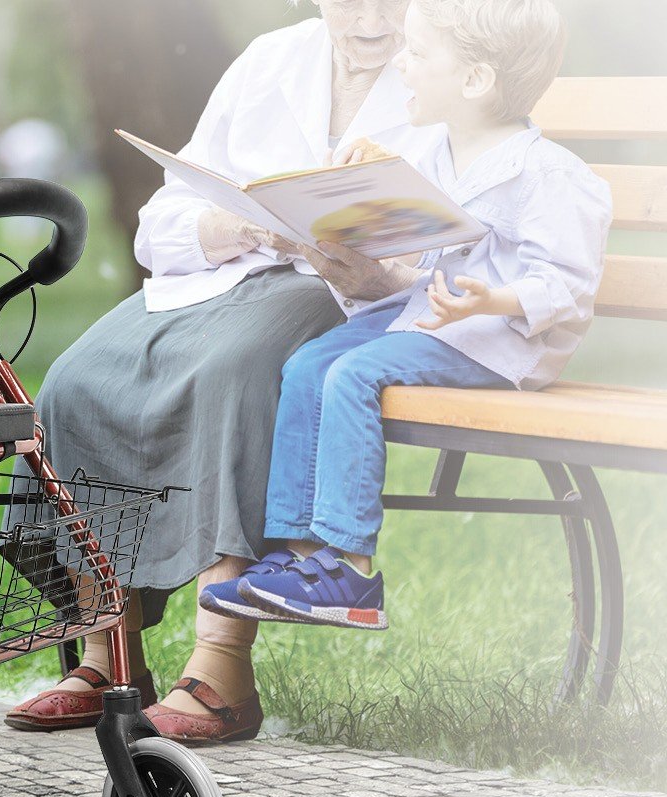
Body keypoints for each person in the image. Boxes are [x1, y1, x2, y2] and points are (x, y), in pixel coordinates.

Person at [6, 0, 440, 742]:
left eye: (390, 2)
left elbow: (458, 246)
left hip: (340, 296)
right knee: (73, 384)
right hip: (218, 278)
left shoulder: (442, 71)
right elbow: (164, 220)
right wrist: (240, 225)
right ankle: (110, 653)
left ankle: (222, 666)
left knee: (235, 375)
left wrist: (372, 267)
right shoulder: (272, 59)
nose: (371, 20)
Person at [201, 0, 611, 644]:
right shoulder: (445, 152)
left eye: (418, 54)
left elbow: (567, 287)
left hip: (496, 343)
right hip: (438, 315)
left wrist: (490, 302)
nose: (400, 62)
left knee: (356, 373)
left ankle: (352, 569)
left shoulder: (548, 175)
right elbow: (423, 230)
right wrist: (367, 183)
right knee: (310, 362)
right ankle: (300, 553)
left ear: (475, 80)